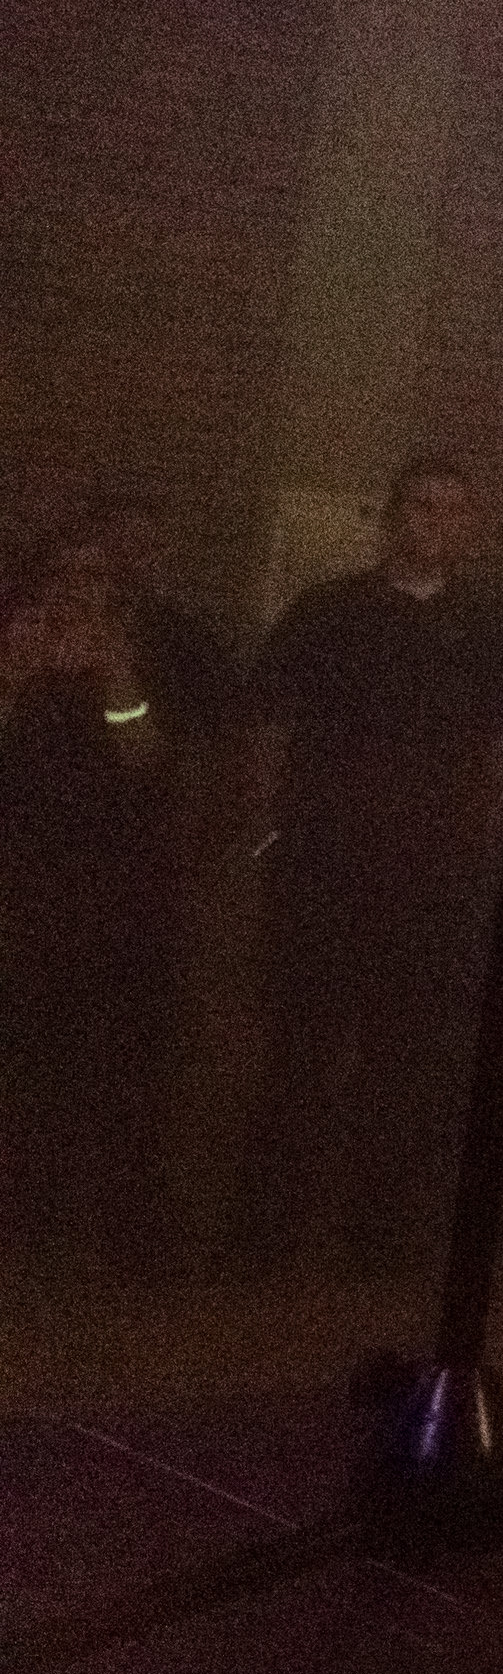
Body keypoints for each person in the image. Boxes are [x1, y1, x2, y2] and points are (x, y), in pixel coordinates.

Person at [245, 455, 503, 1272]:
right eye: (421, 505)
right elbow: (269, 723)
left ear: (470, 525)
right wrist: (267, 832)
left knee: (408, 1059)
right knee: (301, 1050)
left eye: (452, 508)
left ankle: (380, 1236)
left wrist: (486, 845)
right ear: (392, 514)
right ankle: (266, 1234)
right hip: (327, 870)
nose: (434, 521)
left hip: (434, 881)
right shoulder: (328, 610)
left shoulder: (493, 624)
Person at [0, 517, 210, 1270]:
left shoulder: (142, 652)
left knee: (129, 1061)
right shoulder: (18, 644)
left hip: (126, 889)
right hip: (28, 887)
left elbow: (144, 756)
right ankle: (31, 1220)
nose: (78, 591)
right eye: (65, 576)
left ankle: (130, 1223)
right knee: (30, 1059)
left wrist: (115, 675)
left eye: (94, 577)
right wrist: (15, 674)